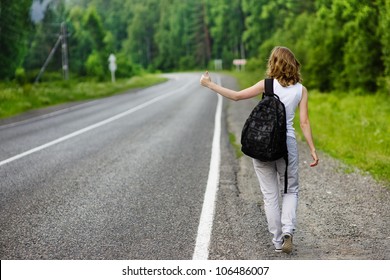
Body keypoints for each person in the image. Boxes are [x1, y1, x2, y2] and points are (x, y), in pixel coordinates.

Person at [199, 46, 319, 254]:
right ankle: (289, 230)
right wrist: (312, 149)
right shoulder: (301, 90)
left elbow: (236, 96)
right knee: (290, 189)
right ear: (293, 64)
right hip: (287, 145)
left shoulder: (267, 84)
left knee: (269, 194)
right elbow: (305, 122)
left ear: (273, 63)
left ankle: (278, 241)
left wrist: (209, 84)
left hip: (263, 143)